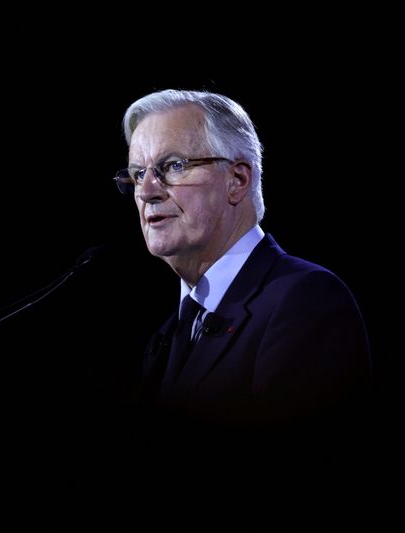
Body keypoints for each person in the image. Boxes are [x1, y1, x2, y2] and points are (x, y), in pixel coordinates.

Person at [114, 89, 372, 427]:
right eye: (137, 174)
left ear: (237, 180)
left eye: (173, 166)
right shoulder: (167, 335)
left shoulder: (305, 300)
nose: (147, 192)